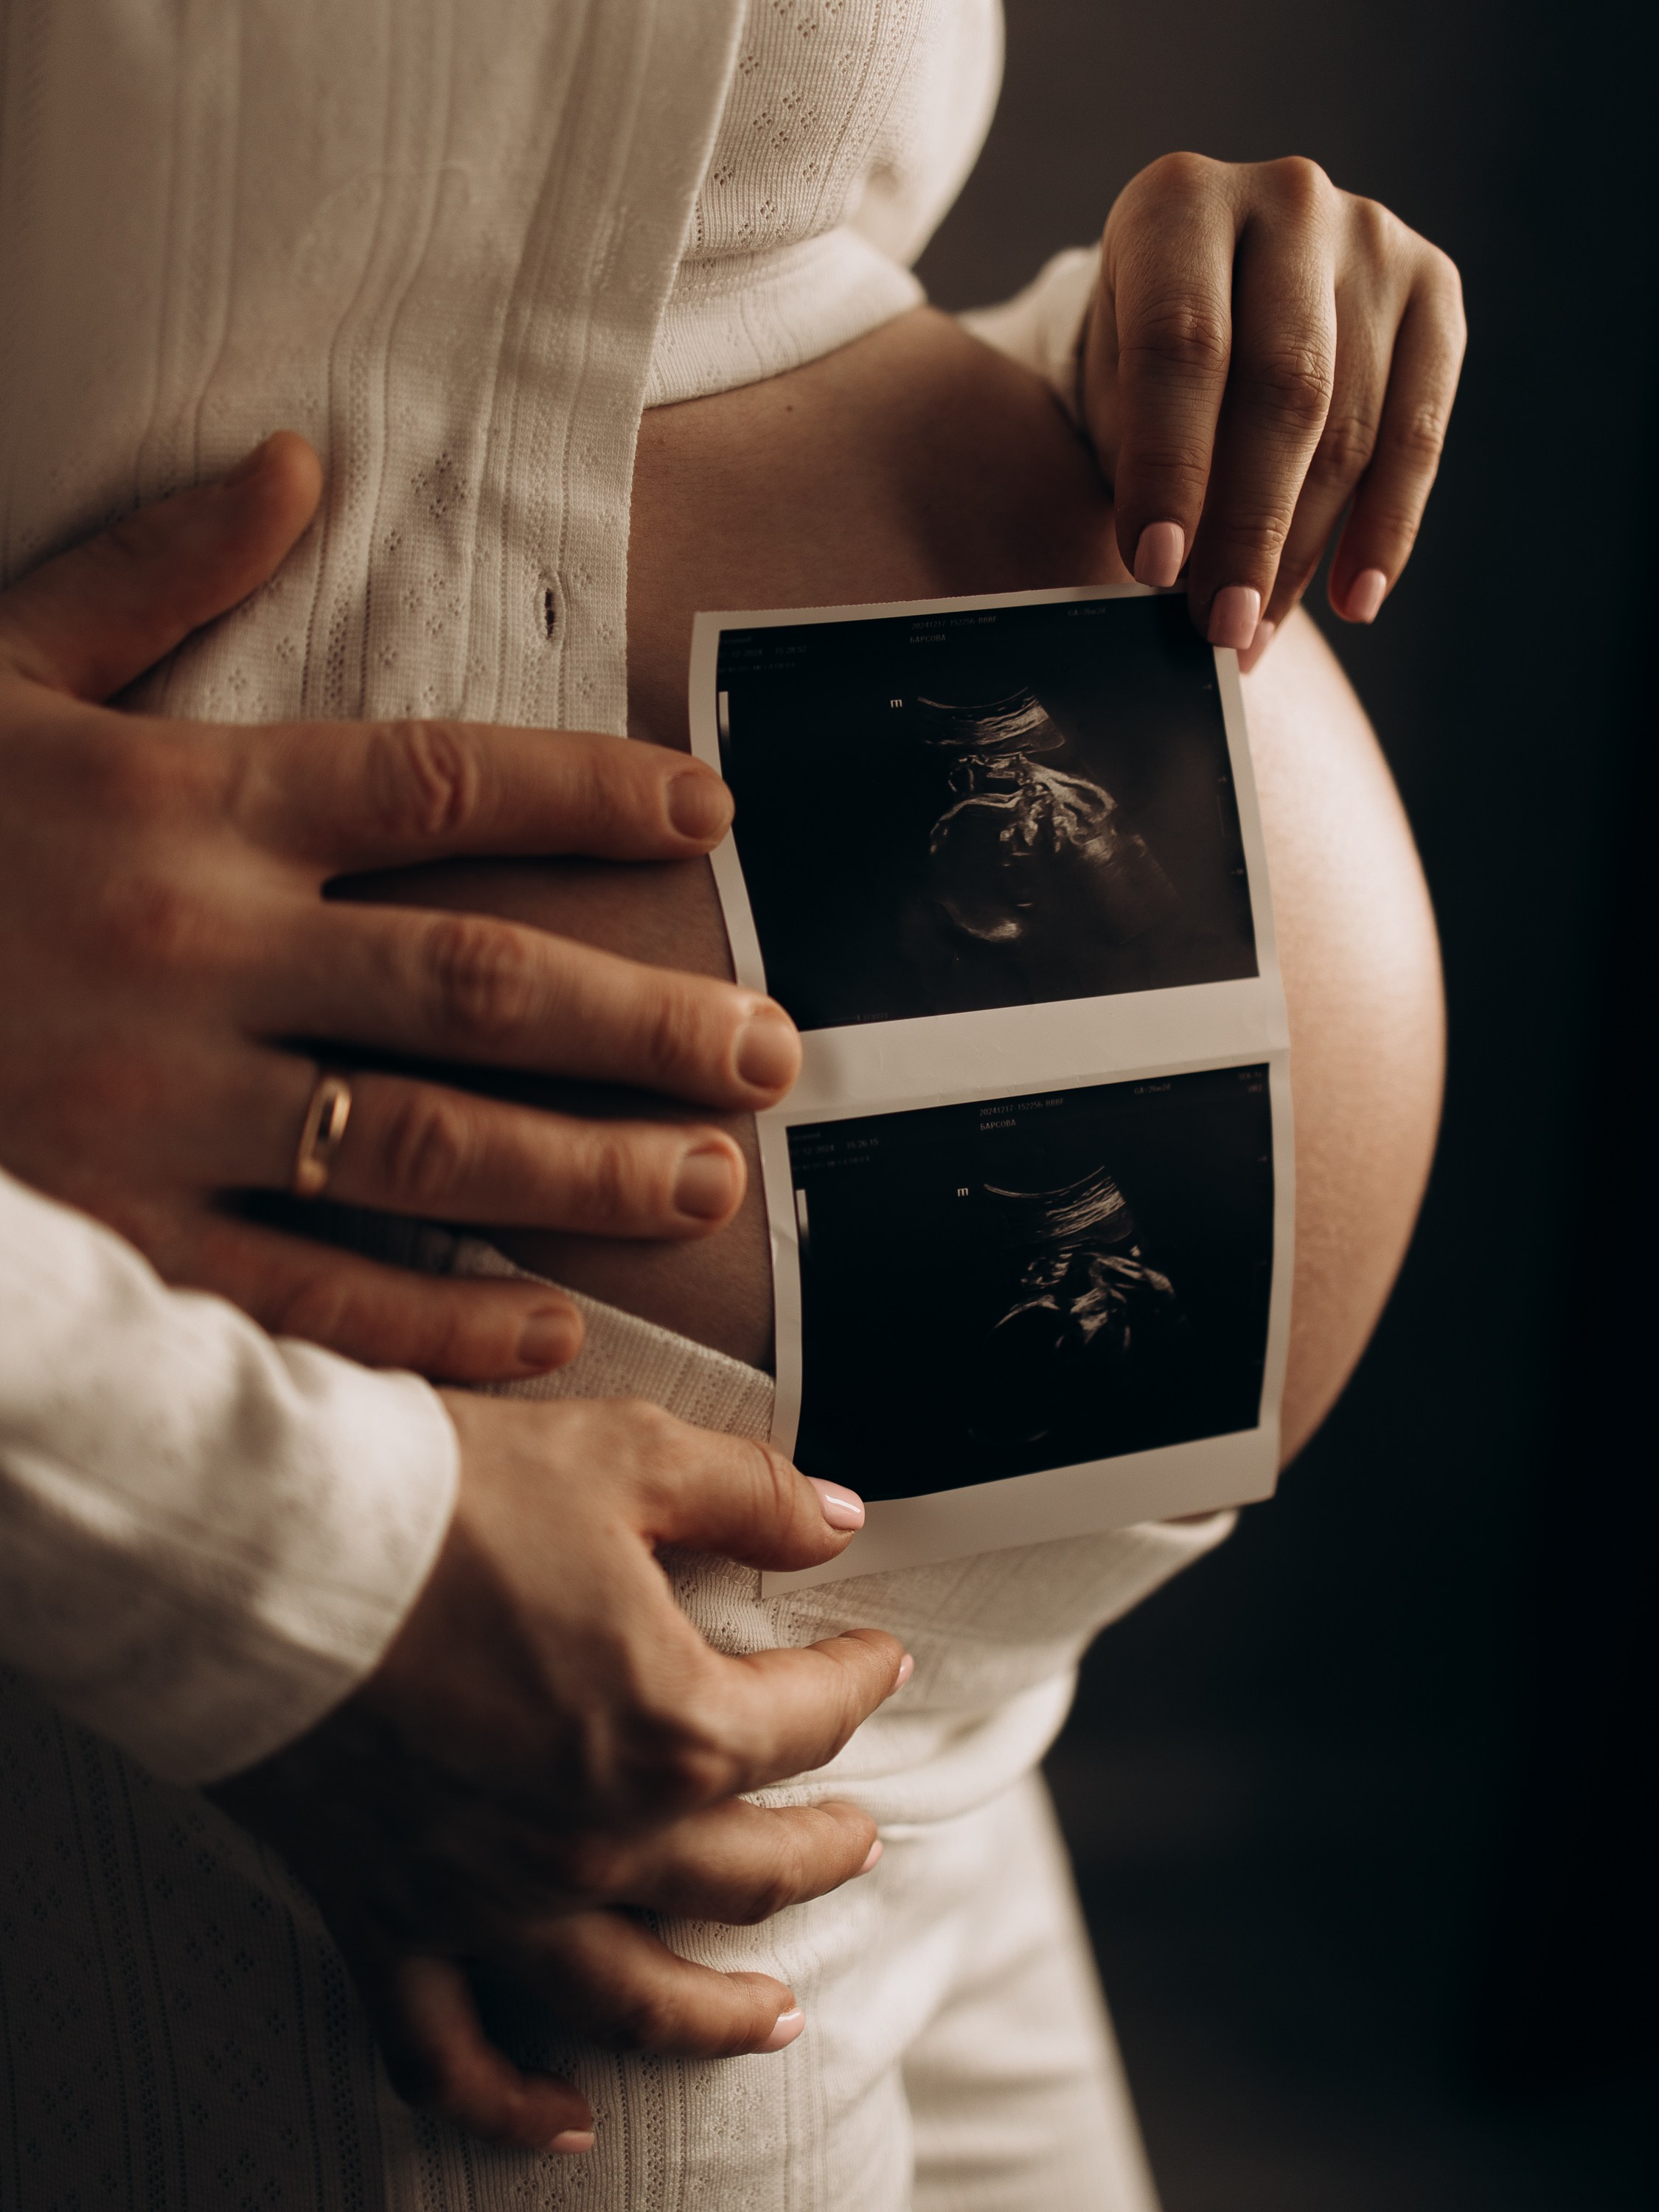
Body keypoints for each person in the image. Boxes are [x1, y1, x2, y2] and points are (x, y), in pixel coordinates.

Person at [0, 1, 1458, 2205]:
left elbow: (597, 282)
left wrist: (1101, 375)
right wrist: (266, 1575)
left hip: (950, 1651)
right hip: (440, 1553)